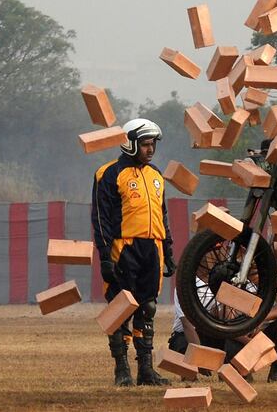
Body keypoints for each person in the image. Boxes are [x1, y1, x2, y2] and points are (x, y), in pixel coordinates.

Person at [92, 118, 174, 387]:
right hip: (123, 248)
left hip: (154, 248)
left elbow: (163, 214)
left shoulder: (156, 175)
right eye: (146, 144)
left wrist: (169, 250)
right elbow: (100, 218)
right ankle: (122, 370)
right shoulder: (108, 173)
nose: (151, 150)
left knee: (148, 307)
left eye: (153, 145)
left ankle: (146, 371)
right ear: (130, 144)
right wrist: (105, 256)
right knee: (121, 308)